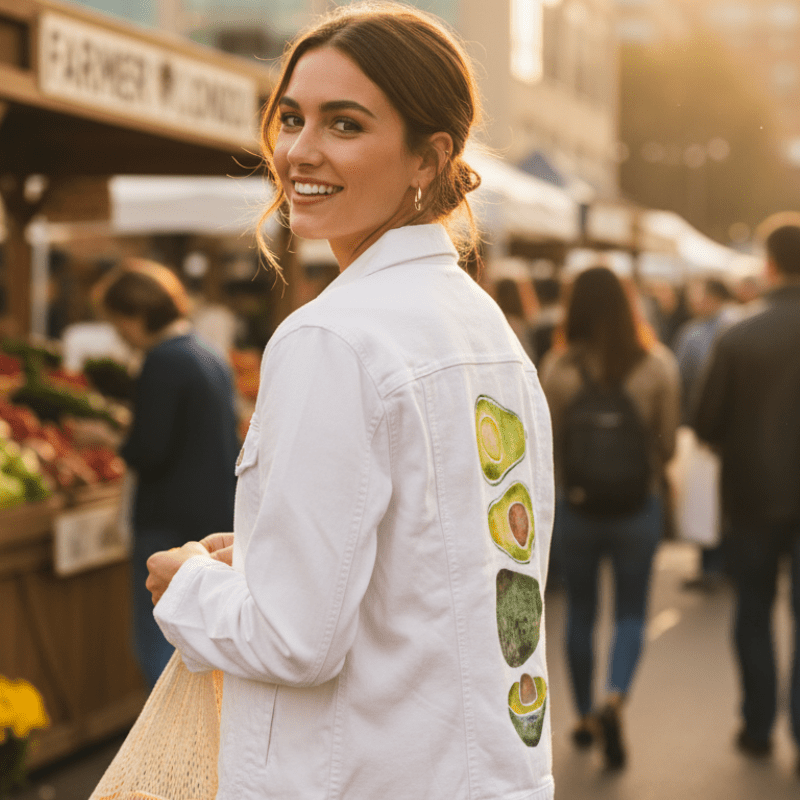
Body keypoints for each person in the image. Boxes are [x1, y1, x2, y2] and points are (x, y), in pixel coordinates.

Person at [144, 5, 556, 799]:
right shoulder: (484, 328)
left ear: (428, 158)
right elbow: (448, 570)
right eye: (291, 117)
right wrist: (273, 549)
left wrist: (187, 581)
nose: (300, 150)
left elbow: (295, 639)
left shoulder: (333, 337)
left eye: (345, 124)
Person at [540, 266, 679, 769]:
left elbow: (546, 445)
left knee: (579, 613)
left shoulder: (558, 367)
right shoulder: (656, 365)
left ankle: (580, 716)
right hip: (636, 509)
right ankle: (615, 695)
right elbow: (666, 442)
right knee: (631, 613)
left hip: (576, 510)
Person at [94, 259, 239, 687]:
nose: (118, 333)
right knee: (197, 640)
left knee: (158, 639)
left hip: (167, 522)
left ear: (134, 315)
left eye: (117, 320)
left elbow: (150, 451)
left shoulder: (162, 360)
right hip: (212, 515)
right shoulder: (207, 352)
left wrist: (110, 438)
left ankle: (166, 746)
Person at [693, 219, 800, 771]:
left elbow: (706, 421)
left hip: (754, 496)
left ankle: (758, 723)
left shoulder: (738, 335)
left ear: (769, 265)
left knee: (753, 610)